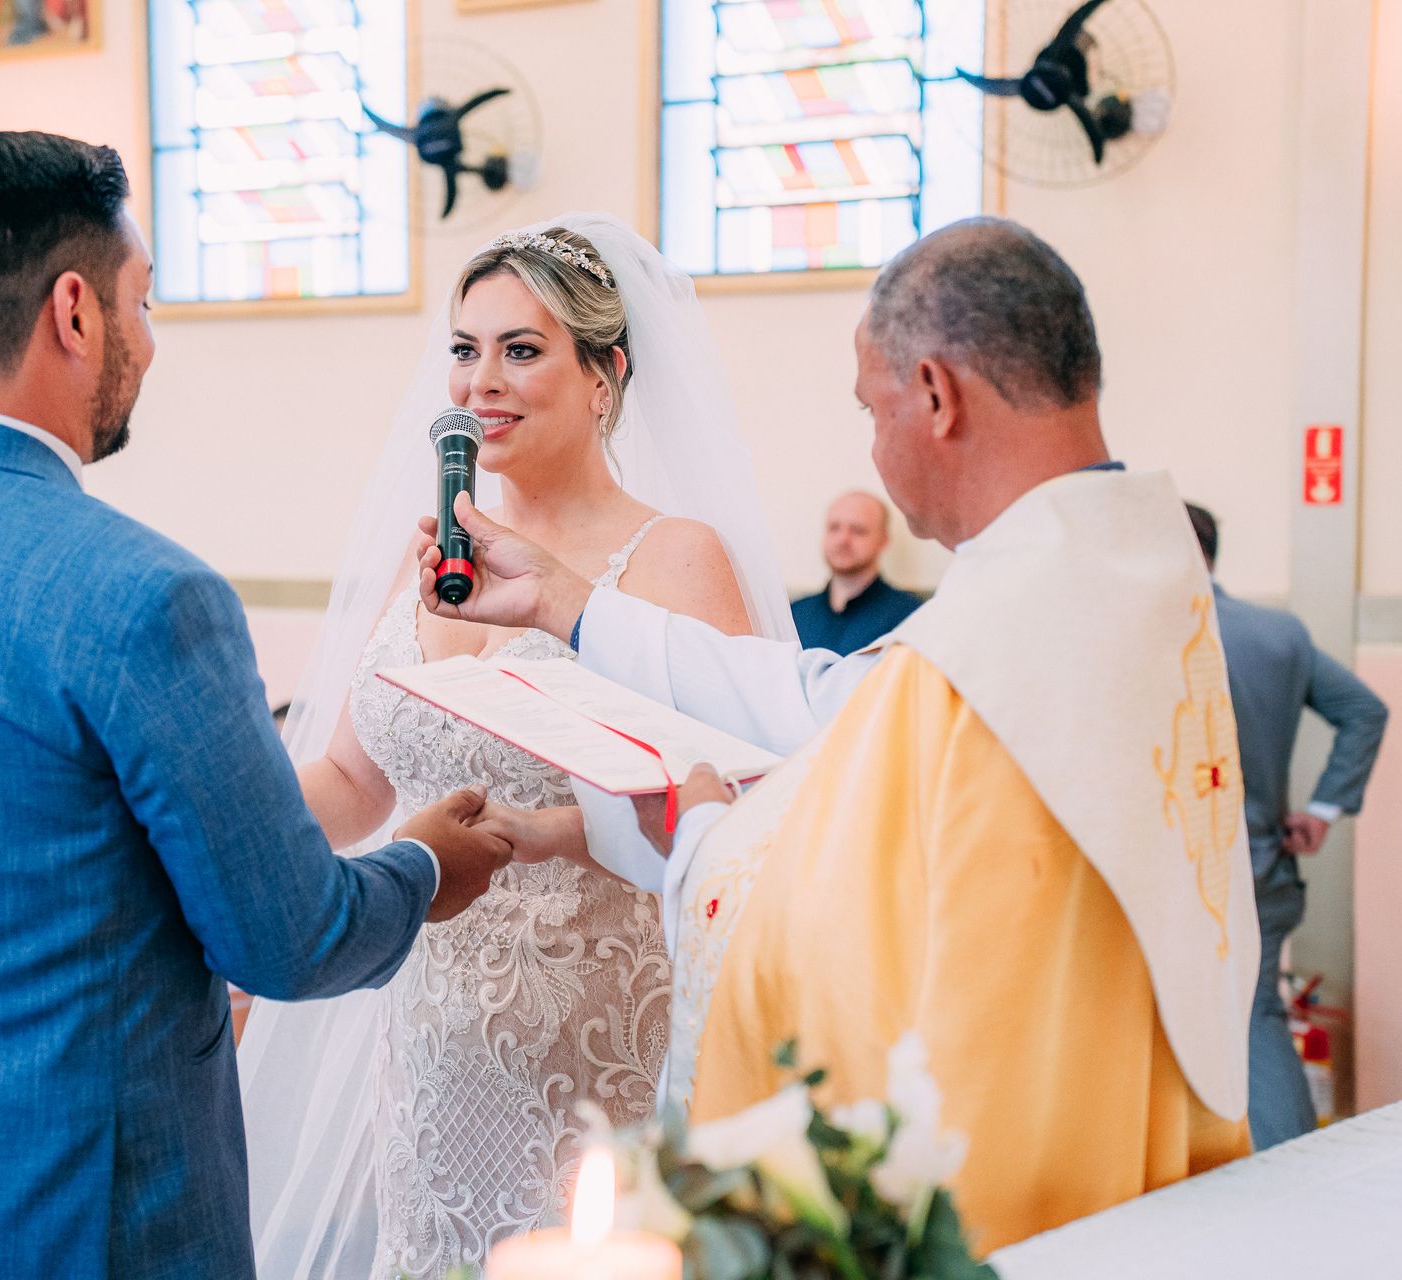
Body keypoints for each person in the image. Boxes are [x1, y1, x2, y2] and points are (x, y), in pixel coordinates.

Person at [0, 131, 512, 1280]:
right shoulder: (144, 596)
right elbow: (291, 936)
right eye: (144, 301)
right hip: (62, 1231)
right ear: (76, 311)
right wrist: (427, 867)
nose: (149, 339)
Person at [418, 218, 1257, 1254]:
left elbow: (857, 930)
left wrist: (707, 840)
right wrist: (568, 602)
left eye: (872, 407)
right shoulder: (1110, 575)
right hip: (1124, 1128)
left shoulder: (1007, 631)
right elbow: (840, 702)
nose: (872, 443)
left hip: (1019, 1179)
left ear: (937, 396)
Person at [242, 217, 801, 1279]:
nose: (480, 381)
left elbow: (742, 806)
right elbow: (356, 786)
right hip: (434, 1042)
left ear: (607, 375)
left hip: (600, 1044)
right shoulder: (438, 557)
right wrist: (208, 799)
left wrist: (547, 831)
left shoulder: (671, 559)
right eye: (464, 349)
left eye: (521, 348)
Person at [1185, 502, 1389, 1149]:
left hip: (1169, 881)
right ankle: (1296, 1180)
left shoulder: (1139, 634)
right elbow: (1365, 710)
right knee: (1256, 1019)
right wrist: (1325, 810)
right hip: (1261, 870)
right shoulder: (1277, 635)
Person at [789, 491, 922, 653]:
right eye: (834, 528)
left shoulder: (910, 616)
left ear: (883, 540)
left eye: (858, 530)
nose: (843, 539)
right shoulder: (794, 615)